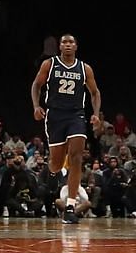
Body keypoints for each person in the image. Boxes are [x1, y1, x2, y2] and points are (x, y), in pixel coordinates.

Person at [31, 34, 103, 223]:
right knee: (56, 161)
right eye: (64, 42)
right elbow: (36, 85)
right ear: (60, 47)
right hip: (54, 115)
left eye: (71, 42)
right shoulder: (49, 64)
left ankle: (70, 206)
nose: (68, 45)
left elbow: (95, 93)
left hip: (76, 115)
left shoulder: (84, 68)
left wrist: (96, 113)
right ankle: (52, 174)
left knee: (76, 157)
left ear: (76, 46)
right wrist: (36, 106)